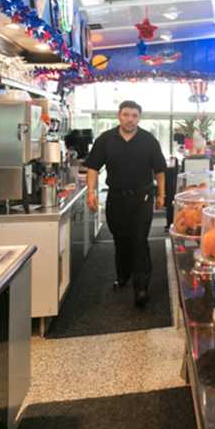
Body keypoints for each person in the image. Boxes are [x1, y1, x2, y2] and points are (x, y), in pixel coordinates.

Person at [85, 101, 166, 307]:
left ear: (139, 118)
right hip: (116, 198)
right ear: (119, 116)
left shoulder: (148, 140)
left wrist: (161, 195)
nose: (130, 119)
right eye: (126, 115)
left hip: (142, 198)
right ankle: (123, 276)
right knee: (121, 240)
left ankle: (141, 288)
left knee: (139, 240)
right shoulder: (106, 139)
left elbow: (160, 170)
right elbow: (93, 167)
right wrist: (91, 192)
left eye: (134, 116)